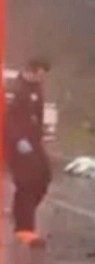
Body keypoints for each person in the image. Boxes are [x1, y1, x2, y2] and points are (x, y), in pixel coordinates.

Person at [5, 57, 52, 246]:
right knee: (27, 183)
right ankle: (24, 228)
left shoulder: (36, 89)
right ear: (31, 70)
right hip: (17, 144)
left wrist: (39, 136)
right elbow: (7, 117)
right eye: (40, 74)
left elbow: (37, 116)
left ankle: (21, 214)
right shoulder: (15, 89)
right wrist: (18, 140)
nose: (42, 79)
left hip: (34, 142)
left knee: (44, 178)